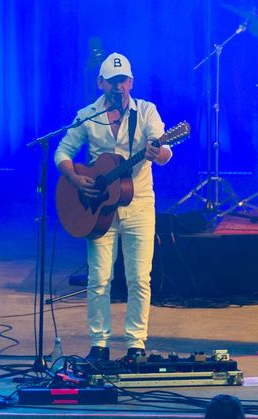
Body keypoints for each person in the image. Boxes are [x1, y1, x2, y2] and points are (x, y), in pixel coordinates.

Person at [56, 52, 173, 363]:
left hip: (139, 205)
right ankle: (99, 344)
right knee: (98, 279)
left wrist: (159, 152)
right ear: (101, 83)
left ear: (131, 82)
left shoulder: (146, 111)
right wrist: (76, 178)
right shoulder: (88, 115)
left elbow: (165, 150)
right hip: (99, 210)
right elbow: (62, 152)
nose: (118, 87)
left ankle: (136, 344)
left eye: (123, 81)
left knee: (139, 278)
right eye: (112, 82)